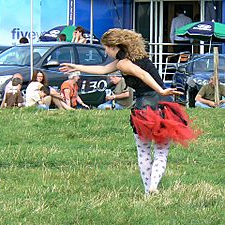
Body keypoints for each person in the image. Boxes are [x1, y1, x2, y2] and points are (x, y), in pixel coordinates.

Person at [60, 28, 199, 194]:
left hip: (145, 108)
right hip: (164, 107)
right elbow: (103, 70)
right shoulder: (138, 58)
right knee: (161, 152)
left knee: (144, 151)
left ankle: (149, 190)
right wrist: (75, 66)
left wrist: (161, 90)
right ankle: (154, 185)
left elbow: (143, 75)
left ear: (115, 47)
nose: (105, 51)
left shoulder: (123, 63)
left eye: (106, 47)